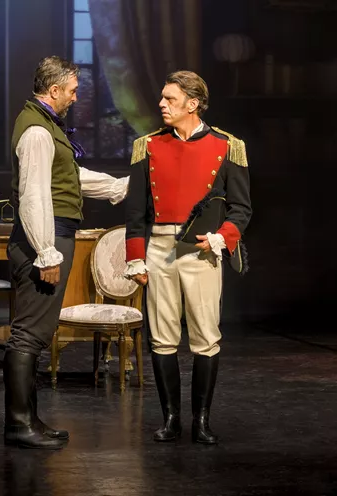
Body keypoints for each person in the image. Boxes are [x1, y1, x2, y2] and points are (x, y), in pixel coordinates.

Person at [4, 56, 129, 449]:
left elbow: (70, 177)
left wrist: (118, 187)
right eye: (73, 91)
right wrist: (46, 253)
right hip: (46, 238)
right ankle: (19, 425)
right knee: (28, 334)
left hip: (55, 236)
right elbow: (34, 197)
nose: (76, 98)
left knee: (36, 333)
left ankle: (29, 420)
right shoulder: (37, 132)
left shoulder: (46, 127)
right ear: (54, 89)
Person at [125, 70, 252, 444]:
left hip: (202, 250)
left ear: (192, 104)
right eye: (162, 97)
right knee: (162, 338)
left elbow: (241, 209)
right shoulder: (147, 146)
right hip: (159, 249)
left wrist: (220, 239)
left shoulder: (228, 146)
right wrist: (136, 258)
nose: (161, 104)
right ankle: (170, 419)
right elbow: (136, 213)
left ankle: (201, 421)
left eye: (170, 99)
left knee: (205, 338)